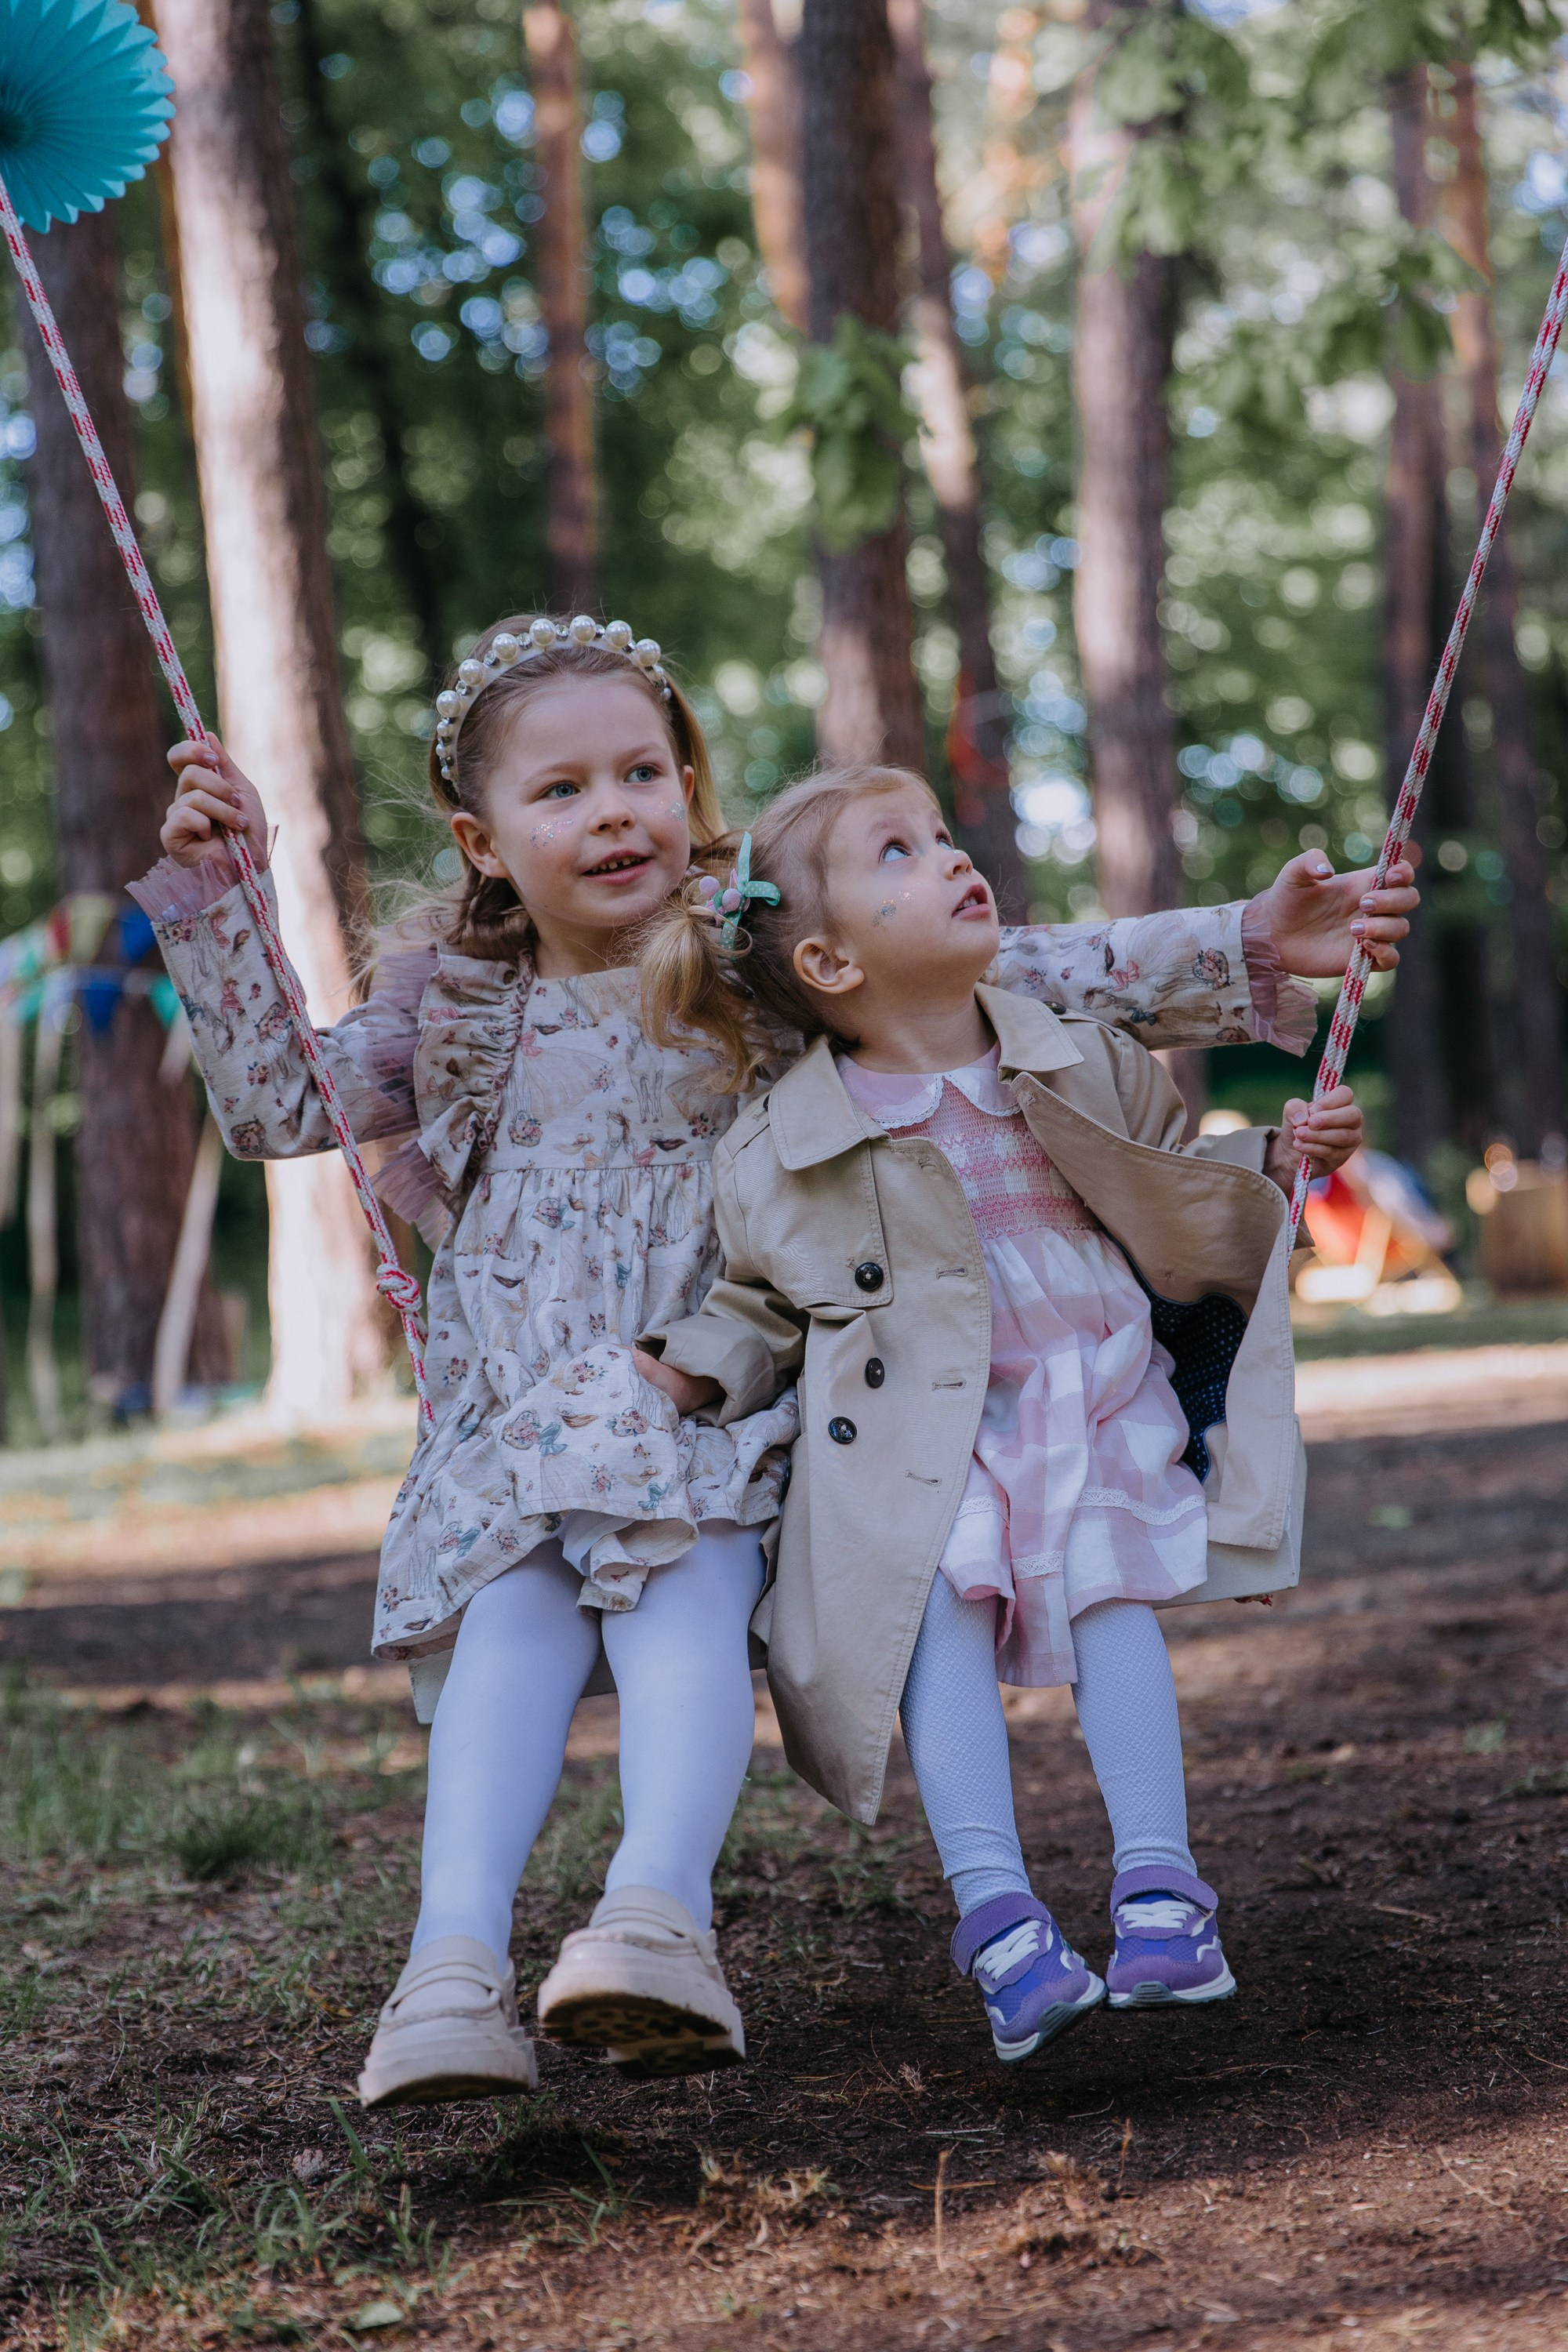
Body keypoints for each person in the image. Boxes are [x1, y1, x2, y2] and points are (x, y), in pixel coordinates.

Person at [134, 616, 1412, 2105]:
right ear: (483, 842)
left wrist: (1252, 944)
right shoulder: (454, 1016)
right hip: (525, 1420)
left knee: (685, 1615)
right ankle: (448, 1973)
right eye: (561, 793)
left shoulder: (752, 964)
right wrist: (230, 897)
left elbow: (998, 970)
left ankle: (656, 1919)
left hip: (731, 1395)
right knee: (514, 1634)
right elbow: (281, 1103)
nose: (614, 810)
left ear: (688, 787)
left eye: (642, 772)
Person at [637, 764, 1364, 2064]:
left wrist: (1274, 1161)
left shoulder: (1080, 1057)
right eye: (899, 853)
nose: (955, 858)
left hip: (1088, 1389)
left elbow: (1166, 1183)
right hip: (920, 1424)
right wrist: (691, 1368)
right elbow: (761, 1306)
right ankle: (1002, 1921)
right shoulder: (780, 1147)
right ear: (829, 959)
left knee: (1110, 1598)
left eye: (944, 834)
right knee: (936, 1625)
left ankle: (1161, 1892)